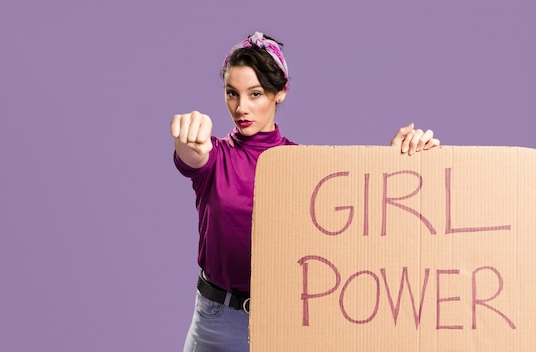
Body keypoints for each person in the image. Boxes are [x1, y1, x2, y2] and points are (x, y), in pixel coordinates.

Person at [170, 31, 440, 352]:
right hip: (216, 320)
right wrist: (188, 140)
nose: (241, 107)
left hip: (285, 320)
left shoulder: (303, 165)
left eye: (255, 94)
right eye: (232, 93)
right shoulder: (215, 156)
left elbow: (355, 223)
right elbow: (193, 155)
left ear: (280, 92)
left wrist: (395, 164)